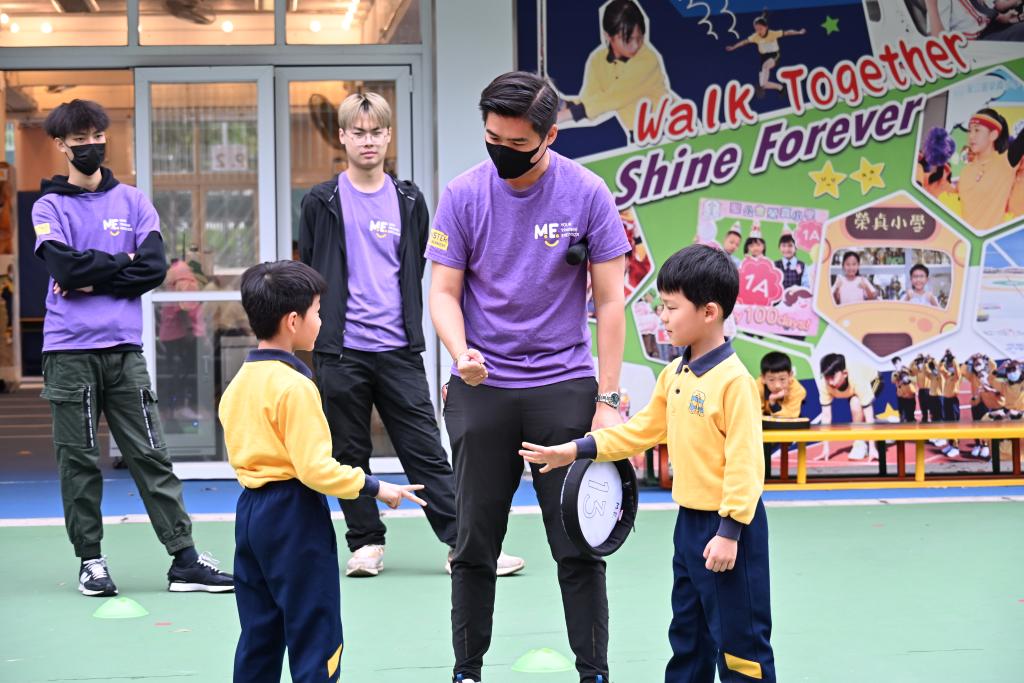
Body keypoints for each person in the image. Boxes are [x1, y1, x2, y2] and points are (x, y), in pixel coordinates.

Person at [428, 71, 630, 683]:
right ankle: (466, 671)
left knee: (578, 543)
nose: (502, 152)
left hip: (563, 386)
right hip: (482, 386)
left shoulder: (587, 193)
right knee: (473, 543)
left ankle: (593, 672)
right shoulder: (463, 194)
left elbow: (611, 302)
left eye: (517, 144)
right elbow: (442, 291)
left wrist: (609, 399)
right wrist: (460, 352)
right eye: (493, 139)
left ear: (550, 135)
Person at [521, 244, 776, 683]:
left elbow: (746, 463)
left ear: (709, 312)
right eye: (662, 306)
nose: (663, 316)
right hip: (689, 525)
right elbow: (639, 431)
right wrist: (577, 449)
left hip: (729, 529)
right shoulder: (674, 374)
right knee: (688, 637)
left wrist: (730, 531)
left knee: (741, 647)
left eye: (672, 307)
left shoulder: (734, 381)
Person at [298, 92, 523, 579]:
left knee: (425, 450)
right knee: (348, 452)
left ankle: (463, 545)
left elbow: (422, 264)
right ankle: (366, 543)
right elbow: (312, 267)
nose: (368, 141)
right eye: (358, 132)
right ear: (342, 137)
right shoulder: (321, 201)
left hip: (399, 349)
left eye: (377, 132)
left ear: (389, 136)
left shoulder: (410, 199)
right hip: (340, 351)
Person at [32, 99, 232, 597]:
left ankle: (184, 560)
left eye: (97, 136)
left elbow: (152, 268)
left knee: (150, 454)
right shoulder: (48, 207)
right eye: (80, 139)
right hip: (69, 354)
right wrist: (120, 262)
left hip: (124, 352)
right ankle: (91, 562)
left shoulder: (135, 202)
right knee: (78, 461)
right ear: (61, 145)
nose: (91, 146)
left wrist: (93, 273)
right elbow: (65, 268)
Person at [220, 260, 426, 683]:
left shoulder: (239, 382)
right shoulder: (296, 386)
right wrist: (375, 487)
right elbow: (315, 469)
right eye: (317, 311)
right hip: (294, 514)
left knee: (259, 631)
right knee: (316, 630)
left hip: (251, 513)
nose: (322, 320)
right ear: (293, 321)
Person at [557, 0, 672, 141]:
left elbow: (611, 98)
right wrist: (562, 104)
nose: (635, 45)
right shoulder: (598, 60)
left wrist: (561, 116)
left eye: (639, 38)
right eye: (627, 39)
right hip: (641, 136)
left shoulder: (648, 59)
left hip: (673, 127)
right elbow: (590, 101)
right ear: (608, 36)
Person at [957, 108, 1024, 230]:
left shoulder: (1005, 162)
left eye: (977, 130)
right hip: (964, 239)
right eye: (970, 130)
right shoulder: (965, 171)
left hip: (992, 239)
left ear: (993, 135)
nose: (971, 136)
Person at [816, 353, 881, 461]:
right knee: (857, 406)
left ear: (845, 373)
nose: (830, 382)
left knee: (856, 403)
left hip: (874, 380)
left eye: (833, 377)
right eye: (827, 377)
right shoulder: (825, 385)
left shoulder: (858, 379)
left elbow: (868, 415)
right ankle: (882, 425)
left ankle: (859, 443)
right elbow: (826, 417)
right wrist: (825, 449)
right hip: (854, 388)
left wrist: (872, 448)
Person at [725, 12, 807, 97]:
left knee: (766, 66)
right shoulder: (755, 36)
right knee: (763, 84)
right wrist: (734, 47)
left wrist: (799, 32)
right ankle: (780, 87)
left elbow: (787, 32)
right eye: (756, 29)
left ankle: (780, 86)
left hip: (774, 55)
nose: (758, 31)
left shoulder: (772, 33)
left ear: (766, 27)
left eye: (760, 28)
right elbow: (744, 42)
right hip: (764, 57)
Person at [925, 0, 1024, 41]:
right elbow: (938, 39)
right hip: (975, 43)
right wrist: (931, 5)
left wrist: (1003, 18)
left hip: (990, 27)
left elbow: (989, 8)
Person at [758, 351, 805, 419]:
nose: (777, 386)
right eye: (771, 380)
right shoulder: (757, 387)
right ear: (763, 378)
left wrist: (773, 401)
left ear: (790, 376)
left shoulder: (797, 390)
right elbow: (753, 414)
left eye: (782, 379)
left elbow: (789, 417)